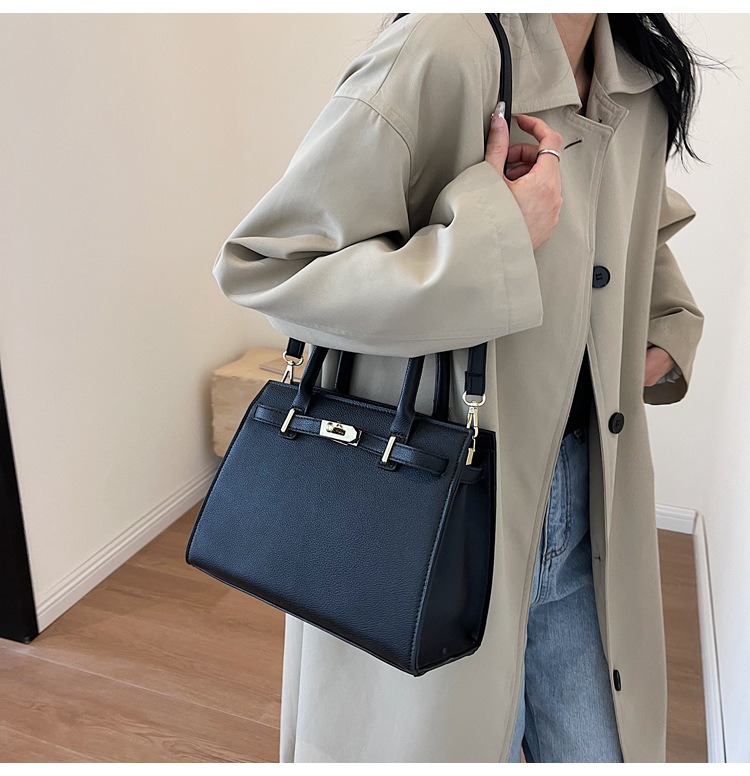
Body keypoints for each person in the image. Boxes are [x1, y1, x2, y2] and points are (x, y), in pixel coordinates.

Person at [211, 13, 704, 763]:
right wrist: (494, 239)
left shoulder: (637, 84)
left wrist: (666, 333)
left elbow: (638, 230)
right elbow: (270, 265)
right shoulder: (444, 49)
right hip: (437, 503)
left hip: (591, 508)